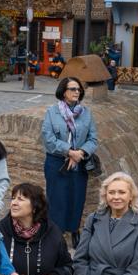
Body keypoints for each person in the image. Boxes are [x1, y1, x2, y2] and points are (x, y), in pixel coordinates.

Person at [41, 77, 98, 241]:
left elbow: (93, 139)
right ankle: (56, 233)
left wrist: (80, 153)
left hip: (79, 162)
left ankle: (74, 229)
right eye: (73, 89)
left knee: (77, 197)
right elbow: (48, 139)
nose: (77, 92)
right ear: (63, 92)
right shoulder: (52, 112)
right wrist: (69, 152)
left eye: (79, 89)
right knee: (57, 198)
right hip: (57, 162)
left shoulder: (86, 113)